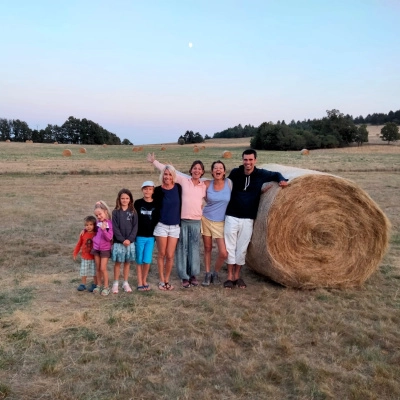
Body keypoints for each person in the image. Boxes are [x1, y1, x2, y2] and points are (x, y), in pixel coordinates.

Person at [224, 149, 288, 289]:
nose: (248, 162)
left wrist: (282, 180)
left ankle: (237, 276)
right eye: (245, 160)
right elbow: (225, 186)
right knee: (230, 247)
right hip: (232, 215)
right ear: (242, 160)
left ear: (255, 160)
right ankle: (229, 276)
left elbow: (276, 174)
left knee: (242, 248)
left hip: (248, 217)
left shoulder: (261, 174)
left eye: (250, 160)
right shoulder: (235, 172)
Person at [148, 153, 206, 288]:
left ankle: (191, 274)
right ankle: (179, 277)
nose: (197, 171)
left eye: (199, 169)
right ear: (190, 170)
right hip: (174, 223)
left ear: (202, 172)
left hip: (188, 223)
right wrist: (154, 161)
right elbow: (167, 170)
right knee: (177, 251)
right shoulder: (182, 182)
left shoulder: (201, 186)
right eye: (194, 168)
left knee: (188, 251)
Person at [201, 160, 232, 286]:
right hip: (206, 219)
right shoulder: (207, 184)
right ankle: (207, 274)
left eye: (220, 168)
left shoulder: (229, 183)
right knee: (207, 248)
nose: (218, 170)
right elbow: (191, 182)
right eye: (215, 168)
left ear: (224, 171)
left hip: (221, 222)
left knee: (223, 253)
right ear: (212, 171)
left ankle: (215, 272)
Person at [152, 165, 182, 291]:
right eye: (165, 174)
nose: (167, 177)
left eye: (170, 174)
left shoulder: (178, 188)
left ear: (173, 176)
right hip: (161, 226)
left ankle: (167, 279)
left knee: (170, 255)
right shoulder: (158, 190)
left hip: (175, 226)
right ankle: (161, 279)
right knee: (162, 254)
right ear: (162, 175)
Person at [111, 189, 138, 294]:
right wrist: (122, 240)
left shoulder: (133, 212)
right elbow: (115, 228)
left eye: (127, 198)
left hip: (130, 243)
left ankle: (125, 282)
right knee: (118, 263)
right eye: (122, 198)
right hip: (119, 242)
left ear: (130, 199)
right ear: (119, 199)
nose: (125, 200)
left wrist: (130, 239)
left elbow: (135, 227)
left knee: (127, 263)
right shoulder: (115, 212)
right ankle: (116, 283)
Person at [134, 181, 158, 291]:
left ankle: (144, 280)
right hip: (139, 236)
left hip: (151, 236)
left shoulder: (156, 204)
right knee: (139, 260)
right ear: (142, 190)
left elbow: (157, 219)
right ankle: (139, 282)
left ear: (153, 191)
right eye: (145, 189)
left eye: (149, 189)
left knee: (147, 260)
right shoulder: (138, 203)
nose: (147, 191)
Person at [91, 200, 113, 296]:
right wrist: (84, 230)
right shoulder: (97, 223)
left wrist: (104, 230)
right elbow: (92, 229)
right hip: (96, 248)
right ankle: (99, 285)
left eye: (100, 214)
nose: (99, 217)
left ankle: (106, 287)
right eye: (97, 216)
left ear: (105, 211)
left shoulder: (109, 224)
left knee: (103, 268)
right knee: (98, 268)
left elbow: (109, 238)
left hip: (105, 249)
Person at [73, 215, 97, 292]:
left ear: (94, 225)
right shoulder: (83, 234)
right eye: (86, 225)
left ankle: (95, 284)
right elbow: (79, 244)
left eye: (91, 225)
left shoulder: (96, 234)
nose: (88, 227)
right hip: (85, 257)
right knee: (84, 271)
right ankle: (83, 284)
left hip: (94, 257)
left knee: (94, 272)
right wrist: (75, 253)